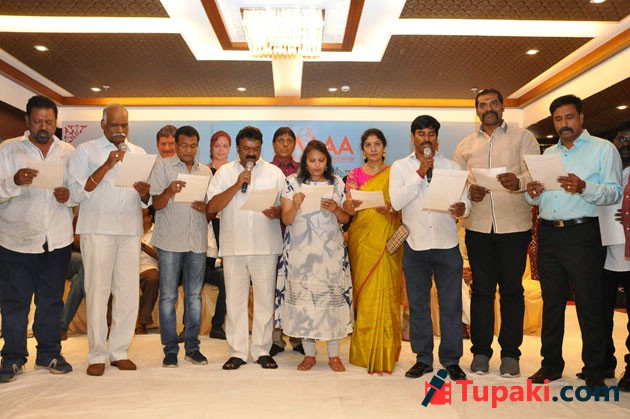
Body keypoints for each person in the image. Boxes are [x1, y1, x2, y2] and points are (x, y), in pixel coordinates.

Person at [525, 94, 622, 391]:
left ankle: (594, 368)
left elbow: (614, 192)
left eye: (569, 117)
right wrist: (532, 193)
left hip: (583, 234)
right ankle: (551, 364)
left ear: (581, 117)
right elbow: (535, 199)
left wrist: (584, 187)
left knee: (589, 303)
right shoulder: (548, 154)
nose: (563, 124)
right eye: (558, 119)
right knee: (552, 303)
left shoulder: (603, 149)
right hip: (549, 234)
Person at [453, 88, 540, 377]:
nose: (488, 108)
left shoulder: (523, 138)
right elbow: (457, 183)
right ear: (477, 110)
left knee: (512, 291)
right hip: (478, 228)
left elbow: (536, 174)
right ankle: (480, 352)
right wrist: (470, 191)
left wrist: (519, 181)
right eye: (482, 105)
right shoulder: (465, 145)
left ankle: (511, 354)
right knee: (481, 291)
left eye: (493, 103)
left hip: (514, 227)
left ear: (502, 107)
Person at [67, 104, 151, 377]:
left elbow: (146, 200)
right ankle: (96, 354)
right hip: (98, 230)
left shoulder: (138, 153)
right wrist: (107, 165)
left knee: (127, 293)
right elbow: (76, 192)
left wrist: (144, 193)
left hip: (129, 230)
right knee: (97, 292)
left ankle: (119, 351)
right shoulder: (85, 151)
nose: (120, 130)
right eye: (114, 125)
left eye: (124, 125)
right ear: (102, 124)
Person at [0, 95, 75, 383]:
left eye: (49, 122)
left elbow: (79, 191)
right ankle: (13, 357)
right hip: (15, 240)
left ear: (56, 122)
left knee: (51, 301)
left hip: (56, 239)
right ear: (27, 121)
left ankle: (49, 353)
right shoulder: (8, 150)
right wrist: (14, 181)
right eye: (37, 121)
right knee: (15, 302)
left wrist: (69, 196)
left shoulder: (68, 151)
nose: (43, 127)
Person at [390, 115, 469, 381]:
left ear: (437, 137)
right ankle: (423, 359)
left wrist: (463, 208)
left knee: (451, 306)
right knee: (418, 306)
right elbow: (397, 202)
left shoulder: (452, 167)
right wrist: (420, 172)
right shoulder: (401, 168)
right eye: (421, 134)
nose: (426, 139)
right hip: (416, 245)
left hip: (447, 244)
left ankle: (451, 360)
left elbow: (466, 203)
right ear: (412, 137)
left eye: (431, 134)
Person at [206, 126, 285, 370]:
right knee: (235, 302)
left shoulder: (274, 173)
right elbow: (211, 207)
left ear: (261, 148)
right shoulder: (224, 173)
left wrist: (277, 212)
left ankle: (262, 350)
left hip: (265, 246)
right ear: (238, 149)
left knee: (264, 301)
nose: (251, 153)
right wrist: (237, 184)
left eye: (256, 149)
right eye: (246, 149)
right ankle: (237, 352)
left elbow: (286, 207)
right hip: (234, 246)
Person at [275, 140, 353, 372]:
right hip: (301, 254)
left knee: (331, 303)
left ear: (327, 161)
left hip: (330, 254)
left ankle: (333, 355)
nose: (317, 165)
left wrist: (336, 209)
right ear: (305, 162)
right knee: (305, 305)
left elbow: (346, 219)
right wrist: (295, 205)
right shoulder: (292, 182)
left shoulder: (337, 183)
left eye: (321, 160)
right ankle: (309, 354)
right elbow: (286, 219)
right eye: (312, 160)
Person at [149, 125, 211, 367]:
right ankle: (170, 349)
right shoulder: (162, 167)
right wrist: (168, 191)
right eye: (184, 145)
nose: (188, 150)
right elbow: (156, 204)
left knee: (194, 296)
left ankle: (192, 347)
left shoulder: (205, 171)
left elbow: (211, 208)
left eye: (193, 146)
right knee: (168, 297)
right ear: (175, 145)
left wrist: (206, 208)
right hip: (170, 242)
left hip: (196, 241)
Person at [343, 128, 403, 374]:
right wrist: (350, 205)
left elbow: (403, 203)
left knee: (387, 293)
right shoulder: (354, 175)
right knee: (365, 293)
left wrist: (392, 208)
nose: (373, 149)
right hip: (362, 241)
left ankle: (386, 349)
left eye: (377, 144)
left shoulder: (395, 173)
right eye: (368, 145)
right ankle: (364, 350)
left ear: (384, 147)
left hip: (387, 239)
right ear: (363, 150)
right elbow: (348, 210)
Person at [599, 119, 630, 392]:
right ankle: (604, 362)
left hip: (629, 254)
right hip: (603, 252)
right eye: (621, 139)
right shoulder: (602, 169)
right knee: (600, 314)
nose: (625, 144)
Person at [269, 127, 304, 356]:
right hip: (271, 234)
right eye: (280, 140)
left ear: (294, 144)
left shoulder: (302, 171)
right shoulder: (266, 170)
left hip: (298, 237)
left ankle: (298, 337)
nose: (284, 144)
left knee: (295, 287)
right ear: (273, 144)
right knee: (274, 288)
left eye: (289, 140)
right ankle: (275, 338)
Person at [136, 206, 159, 335]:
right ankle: (109, 323)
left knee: (153, 279)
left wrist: (143, 246)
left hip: (148, 266)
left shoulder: (158, 231)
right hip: (129, 265)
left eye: (142, 215)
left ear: (149, 218)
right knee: (113, 279)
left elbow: (160, 255)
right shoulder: (132, 228)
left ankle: (143, 323)